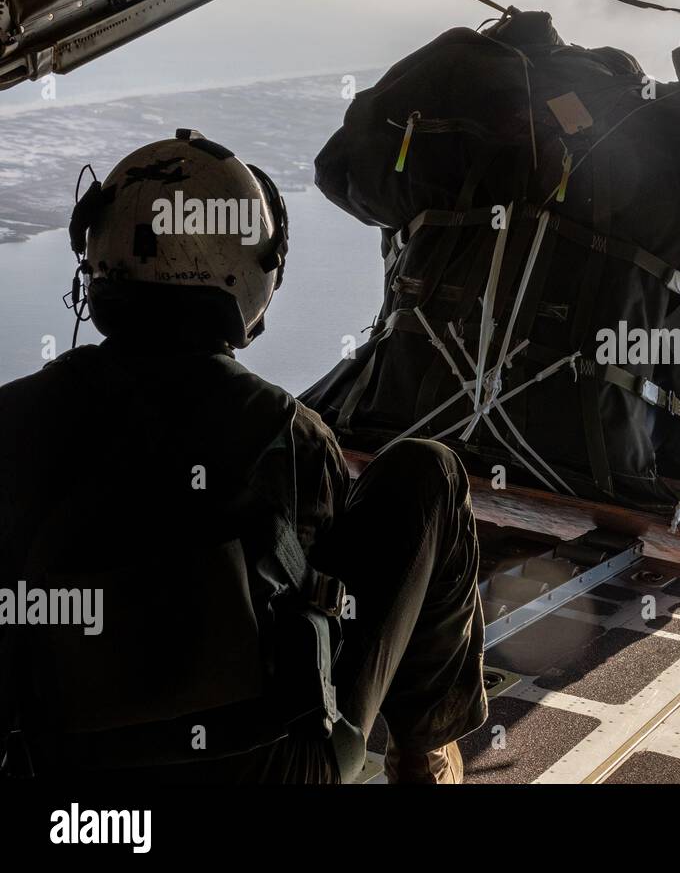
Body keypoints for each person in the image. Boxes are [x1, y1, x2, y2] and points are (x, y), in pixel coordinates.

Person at [0, 130, 486, 784]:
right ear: (252, 271)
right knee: (429, 469)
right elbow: (329, 601)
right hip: (274, 770)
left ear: (96, 253)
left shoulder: (12, 418)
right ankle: (422, 754)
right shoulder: (292, 433)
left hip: (67, 795)